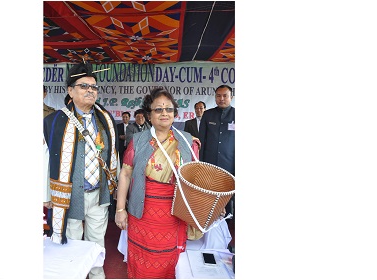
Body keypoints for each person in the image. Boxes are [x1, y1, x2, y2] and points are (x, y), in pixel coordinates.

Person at [114, 88, 200, 279]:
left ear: (175, 114)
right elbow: (126, 174)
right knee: (142, 259)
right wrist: (120, 209)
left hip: (174, 213)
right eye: (158, 109)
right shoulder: (138, 141)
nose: (164, 113)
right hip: (142, 210)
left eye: (169, 109)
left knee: (168, 259)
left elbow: (195, 178)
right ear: (149, 115)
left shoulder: (187, 141)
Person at [43, 61, 118, 279]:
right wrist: (46, 195)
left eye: (93, 87)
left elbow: (114, 155)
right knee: (72, 242)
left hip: (97, 194)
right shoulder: (53, 122)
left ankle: (96, 276)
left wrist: (112, 188)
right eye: (84, 86)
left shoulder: (105, 119)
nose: (90, 91)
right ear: (70, 90)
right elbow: (44, 160)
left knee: (97, 241)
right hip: (68, 195)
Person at [198, 84, 235, 216]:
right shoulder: (208, 115)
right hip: (210, 164)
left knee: (229, 196)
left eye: (225, 96)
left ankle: (229, 223)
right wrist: (200, 164)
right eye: (218, 96)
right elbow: (201, 141)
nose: (222, 99)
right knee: (209, 195)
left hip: (230, 164)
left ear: (231, 97)